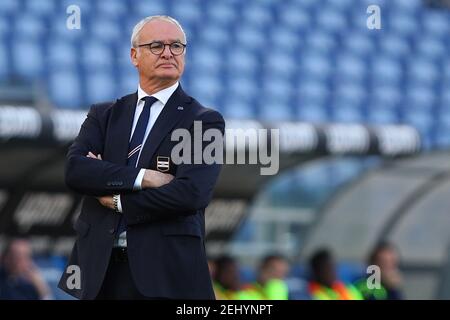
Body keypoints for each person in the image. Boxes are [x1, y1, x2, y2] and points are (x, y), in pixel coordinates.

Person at [58, 15, 225, 300]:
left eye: (177, 46)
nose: (169, 53)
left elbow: (191, 193)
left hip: (165, 276)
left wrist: (118, 199)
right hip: (99, 272)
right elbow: (76, 171)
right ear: (134, 55)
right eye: (157, 45)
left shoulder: (205, 121)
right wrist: (144, 178)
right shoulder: (104, 114)